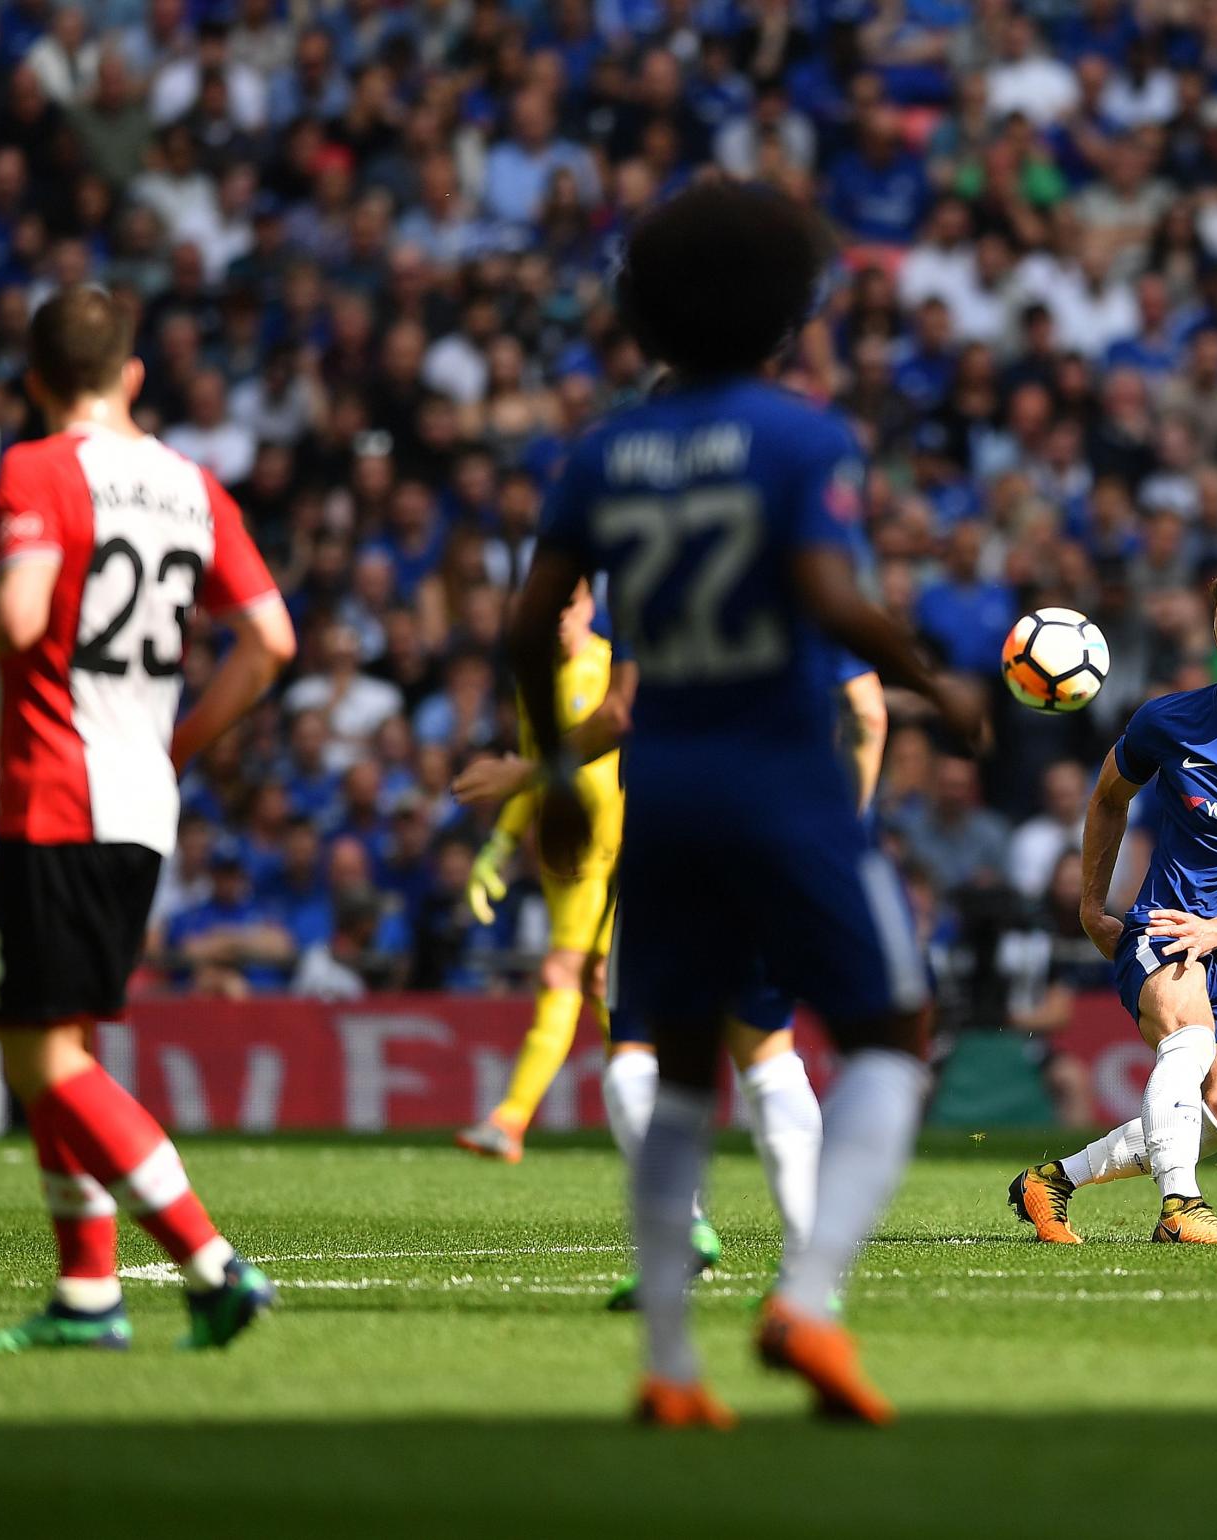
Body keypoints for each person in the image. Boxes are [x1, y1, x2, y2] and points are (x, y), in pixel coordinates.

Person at [504, 181, 986, 1429]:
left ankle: (670, 1367)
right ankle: (807, 1300)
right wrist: (937, 677)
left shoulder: (605, 450)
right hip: (782, 787)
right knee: (889, 1032)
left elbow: (526, 620)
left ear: (643, 311)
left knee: (667, 1079)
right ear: (788, 310)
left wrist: (556, 775)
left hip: (661, 794)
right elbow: (829, 597)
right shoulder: (801, 437)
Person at [0, 286, 297, 1353]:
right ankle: (88, 1293)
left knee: (37, 1058)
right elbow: (269, 641)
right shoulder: (192, 485)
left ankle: (212, 1263)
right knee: (66, 1039)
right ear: (132, 375)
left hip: (57, 796)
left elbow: (25, 612)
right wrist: (181, 742)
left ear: (36, 384)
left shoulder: (37, 467)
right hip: (140, 802)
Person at [454, 648, 888, 1309]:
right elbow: (868, 714)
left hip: (673, 836)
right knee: (766, 1050)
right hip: (785, 838)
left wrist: (531, 768)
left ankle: (682, 1230)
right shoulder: (807, 569)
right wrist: (844, 830)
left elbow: (620, 712)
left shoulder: (655, 567)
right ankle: (807, 1272)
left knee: (633, 1046)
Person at [1008, 563, 1217, 1246]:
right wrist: (1090, 904)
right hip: (1163, 928)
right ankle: (1179, 1208)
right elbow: (1109, 797)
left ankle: (1053, 1181)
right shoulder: (1168, 722)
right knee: (1189, 1038)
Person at [452, 578, 622, 1164]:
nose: (557, 618)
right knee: (599, 984)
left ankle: (510, 1117)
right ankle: (650, 1114)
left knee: (561, 972)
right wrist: (498, 845)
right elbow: (529, 770)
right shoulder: (536, 682)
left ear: (589, 607)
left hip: (607, 848)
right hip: (562, 850)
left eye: (567, 606)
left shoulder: (610, 669)